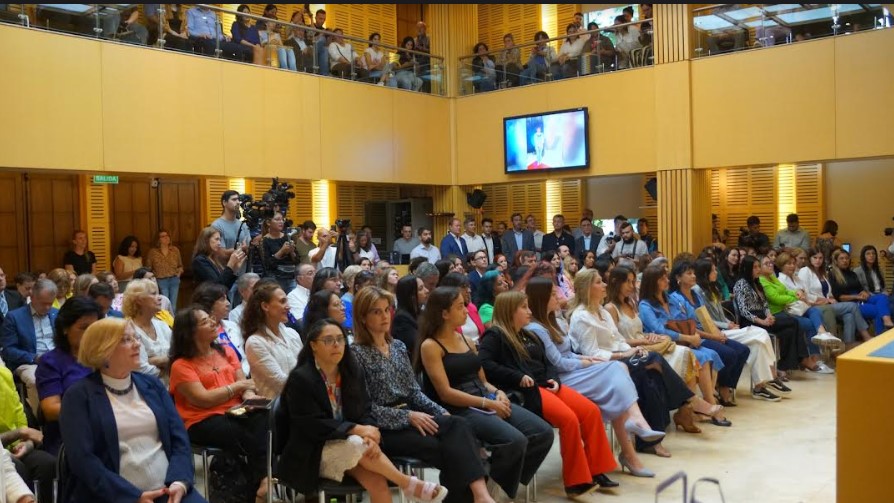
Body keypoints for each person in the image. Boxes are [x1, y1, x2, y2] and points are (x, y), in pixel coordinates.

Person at [278, 319, 449, 503]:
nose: (336, 345)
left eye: (340, 339)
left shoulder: (351, 371)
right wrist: (356, 430)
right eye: (328, 340)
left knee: (377, 483)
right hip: (314, 451)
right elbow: (311, 425)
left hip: (354, 447)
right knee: (356, 443)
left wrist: (370, 433)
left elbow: (365, 408)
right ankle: (407, 483)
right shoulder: (301, 379)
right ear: (313, 346)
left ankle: (407, 483)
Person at [351, 287, 495, 503]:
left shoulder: (397, 346)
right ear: (363, 317)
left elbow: (414, 392)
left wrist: (440, 411)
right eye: (376, 312)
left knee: (459, 425)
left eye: (387, 310)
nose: (384, 317)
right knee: (450, 449)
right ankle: (479, 497)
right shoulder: (356, 354)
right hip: (385, 426)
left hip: (412, 414)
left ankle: (481, 496)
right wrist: (407, 417)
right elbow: (365, 408)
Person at [416, 287, 554, 501]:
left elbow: (483, 381)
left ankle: (492, 481)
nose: (466, 311)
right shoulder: (430, 346)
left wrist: (498, 393)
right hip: (460, 409)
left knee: (543, 433)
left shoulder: (467, 341)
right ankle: (485, 488)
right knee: (514, 441)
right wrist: (486, 404)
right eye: (460, 307)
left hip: (484, 398)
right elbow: (445, 393)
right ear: (444, 313)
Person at [479, 289, 617, 497]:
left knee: (590, 411)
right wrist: (516, 377)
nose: (529, 311)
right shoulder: (495, 335)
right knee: (569, 419)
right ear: (509, 311)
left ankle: (596, 470)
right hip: (526, 391)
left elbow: (548, 363)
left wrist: (556, 380)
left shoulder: (529, 333)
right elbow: (485, 365)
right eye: (524, 307)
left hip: (547, 385)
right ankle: (575, 482)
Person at [60, 317, 204, 503]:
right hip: (114, 496)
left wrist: (180, 481)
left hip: (169, 491)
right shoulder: (78, 396)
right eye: (127, 340)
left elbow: (179, 438)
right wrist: (133, 497)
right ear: (103, 349)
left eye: (136, 338)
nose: (137, 345)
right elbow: (82, 460)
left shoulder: (151, 385)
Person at [168, 306, 269, 502]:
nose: (213, 323)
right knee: (247, 431)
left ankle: (262, 481)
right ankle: (263, 481)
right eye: (205, 321)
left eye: (210, 319)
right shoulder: (180, 365)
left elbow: (246, 386)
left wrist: (249, 397)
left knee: (269, 418)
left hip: (235, 411)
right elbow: (203, 399)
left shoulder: (226, 351)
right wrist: (238, 387)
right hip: (201, 420)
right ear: (190, 332)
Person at [692, 260, 789, 401]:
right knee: (760, 333)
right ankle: (772, 375)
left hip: (724, 327)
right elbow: (704, 319)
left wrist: (728, 322)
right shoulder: (697, 291)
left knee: (757, 344)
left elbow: (720, 314)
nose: (717, 273)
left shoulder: (713, 288)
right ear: (705, 273)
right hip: (715, 331)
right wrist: (726, 326)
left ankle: (759, 387)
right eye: (714, 270)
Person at [667, 261, 750, 407]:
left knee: (743, 350)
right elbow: (688, 328)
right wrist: (714, 337)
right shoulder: (675, 299)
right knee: (729, 354)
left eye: (694, 273)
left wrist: (719, 333)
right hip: (696, 337)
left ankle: (724, 385)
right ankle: (722, 389)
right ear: (678, 278)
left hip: (708, 332)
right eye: (689, 273)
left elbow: (706, 320)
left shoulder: (696, 295)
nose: (694, 276)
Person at [34, 297, 101, 456]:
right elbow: (50, 409)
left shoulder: (104, 358)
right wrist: (98, 411)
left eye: (95, 327)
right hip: (71, 436)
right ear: (65, 328)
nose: (90, 334)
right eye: (84, 327)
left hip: (109, 428)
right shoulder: (51, 362)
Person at [733, 256, 812, 381]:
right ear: (747, 268)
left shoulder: (757, 282)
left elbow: (764, 304)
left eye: (759, 266)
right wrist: (762, 321)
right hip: (750, 321)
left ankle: (783, 367)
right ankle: (801, 358)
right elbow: (743, 311)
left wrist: (769, 315)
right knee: (793, 321)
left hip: (763, 317)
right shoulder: (741, 284)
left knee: (788, 331)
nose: (758, 269)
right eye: (755, 267)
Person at [0, 279, 59, 414]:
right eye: (44, 303)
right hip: (29, 362)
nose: (48, 308)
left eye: (50, 303)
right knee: (36, 379)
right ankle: (42, 420)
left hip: (57, 358)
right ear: (32, 297)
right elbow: (8, 350)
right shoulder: (14, 317)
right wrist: (35, 358)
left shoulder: (57, 314)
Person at [0, 364, 55, 503]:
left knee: (46, 464)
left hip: (14, 446)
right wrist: (21, 433)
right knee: (17, 467)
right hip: (3, 450)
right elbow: (23, 430)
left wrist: (28, 442)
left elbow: (20, 416)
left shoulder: (4, 373)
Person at [798, 248, 871, 346]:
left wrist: (831, 298)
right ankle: (866, 335)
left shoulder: (822, 272)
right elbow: (805, 294)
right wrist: (826, 300)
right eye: (815, 258)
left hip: (827, 304)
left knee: (849, 315)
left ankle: (848, 344)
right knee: (852, 306)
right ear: (809, 259)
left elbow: (828, 292)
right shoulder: (805, 271)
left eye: (820, 258)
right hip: (814, 306)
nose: (818, 260)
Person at [242, 282, 303, 398]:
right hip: (275, 409)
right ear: (265, 306)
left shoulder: (292, 334)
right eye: (282, 301)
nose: (288, 306)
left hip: (301, 399)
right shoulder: (255, 342)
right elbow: (280, 382)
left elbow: (306, 367)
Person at [829, 249, 894, 335]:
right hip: (850, 304)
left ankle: (887, 321)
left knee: (882, 297)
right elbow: (839, 297)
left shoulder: (852, 274)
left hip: (861, 299)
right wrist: (857, 297)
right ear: (836, 261)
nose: (845, 261)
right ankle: (880, 336)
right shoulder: (833, 275)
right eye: (842, 258)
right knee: (878, 310)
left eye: (847, 258)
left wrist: (864, 292)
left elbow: (860, 289)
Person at [192, 282, 249, 377]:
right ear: (209, 303)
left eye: (227, 299)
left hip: (244, 376)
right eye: (222, 299)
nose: (228, 303)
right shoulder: (198, 331)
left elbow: (246, 355)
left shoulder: (233, 326)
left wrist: (243, 374)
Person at [122, 279, 172, 379]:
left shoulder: (162, 325)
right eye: (154, 294)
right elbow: (140, 368)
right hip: (147, 387)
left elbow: (179, 354)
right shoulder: (128, 329)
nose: (160, 298)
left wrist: (152, 360)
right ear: (139, 300)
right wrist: (168, 368)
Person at [192, 226, 247, 290]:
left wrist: (235, 269)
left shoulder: (214, 259)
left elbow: (226, 286)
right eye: (216, 239)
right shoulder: (200, 260)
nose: (219, 243)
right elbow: (217, 286)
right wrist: (230, 264)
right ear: (206, 240)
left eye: (220, 240)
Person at [144, 229, 183, 310]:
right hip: (161, 281)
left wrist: (179, 273)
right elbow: (148, 268)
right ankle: (165, 322)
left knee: (173, 305)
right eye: (163, 236)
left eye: (167, 235)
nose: (166, 238)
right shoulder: (153, 252)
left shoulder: (175, 250)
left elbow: (180, 266)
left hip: (174, 280)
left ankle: (172, 322)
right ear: (158, 239)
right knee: (164, 305)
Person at [392, 275, 427, 361]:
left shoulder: (420, 312)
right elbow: (417, 345)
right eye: (421, 289)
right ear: (411, 295)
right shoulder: (401, 318)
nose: (426, 290)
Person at [261, 212, 298, 293]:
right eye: (277, 219)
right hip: (275, 278)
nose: (281, 222)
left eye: (282, 219)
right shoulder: (264, 240)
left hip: (291, 276)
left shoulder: (287, 236)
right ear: (268, 222)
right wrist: (282, 251)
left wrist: (292, 251)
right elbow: (268, 264)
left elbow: (297, 261)